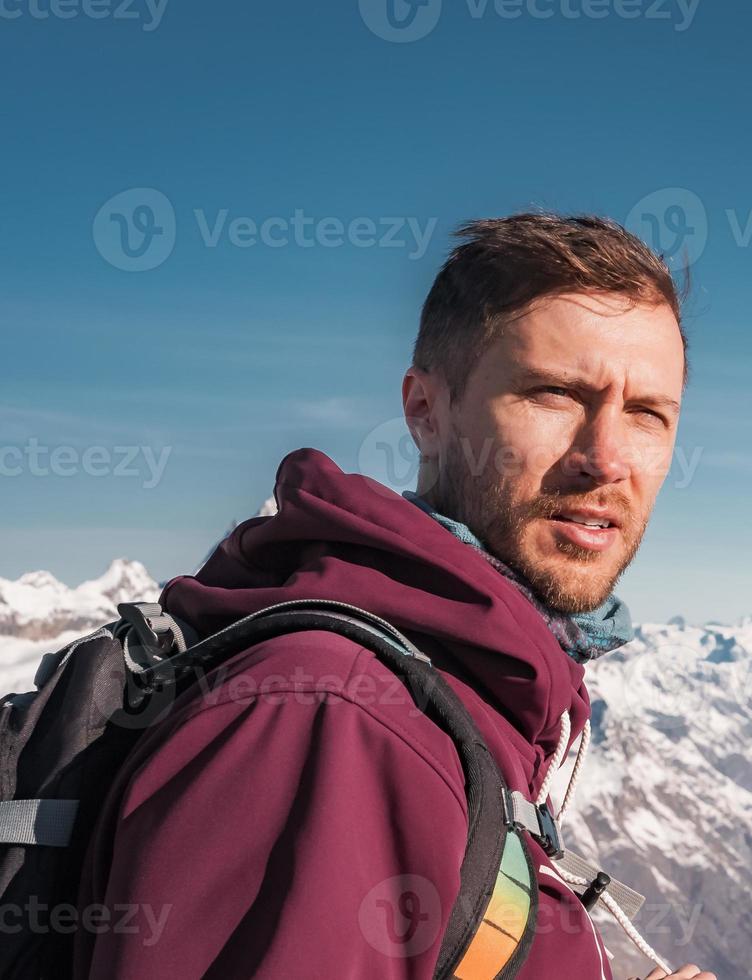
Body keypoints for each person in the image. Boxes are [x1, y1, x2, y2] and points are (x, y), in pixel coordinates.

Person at [73, 213, 716, 980]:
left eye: (647, 414)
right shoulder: (331, 712)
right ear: (424, 411)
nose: (606, 457)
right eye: (553, 394)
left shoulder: (475, 690)